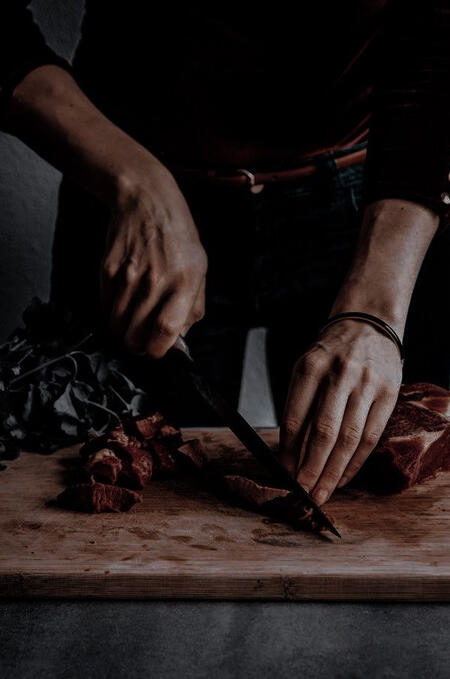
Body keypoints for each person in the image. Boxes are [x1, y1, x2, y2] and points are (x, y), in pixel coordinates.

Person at [0, 1, 449, 507]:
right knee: (113, 489)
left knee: (377, 486)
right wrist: (134, 181)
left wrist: (376, 310)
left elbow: (437, 41)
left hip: (375, 203)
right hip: (130, 205)